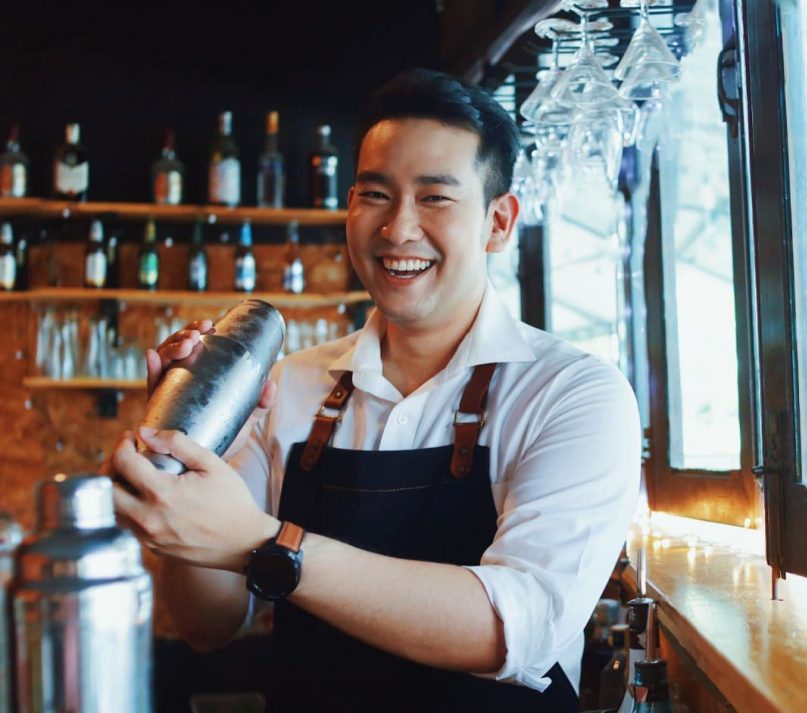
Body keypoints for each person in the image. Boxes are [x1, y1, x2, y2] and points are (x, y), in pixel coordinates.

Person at [109, 68, 640, 712]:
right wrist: (187, 457)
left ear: (499, 223)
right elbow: (209, 625)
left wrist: (268, 546)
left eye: (435, 198)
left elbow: (513, 628)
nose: (397, 229)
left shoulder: (573, 393)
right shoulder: (291, 384)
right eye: (375, 194)